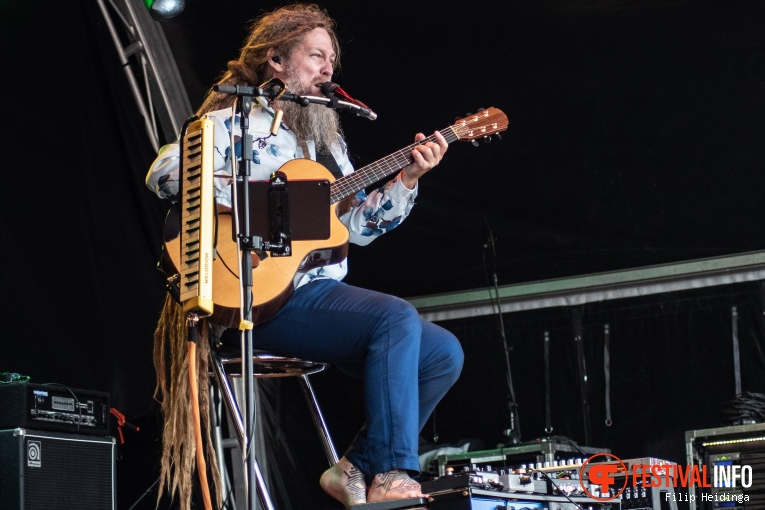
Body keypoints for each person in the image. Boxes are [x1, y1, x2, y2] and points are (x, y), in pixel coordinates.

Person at [146, 3, 463, 509]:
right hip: (256, 301)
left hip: (320, 296)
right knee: (396, 316)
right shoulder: (231, 124)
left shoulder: (326, 144)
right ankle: (394, 475)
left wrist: (407, 180)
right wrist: (264, 204)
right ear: (276, 60)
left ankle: (355, 466)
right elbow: (163, 174)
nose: (327, 68)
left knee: (444, 353)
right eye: (316, 55)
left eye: (331, 60)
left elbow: (358, 229)